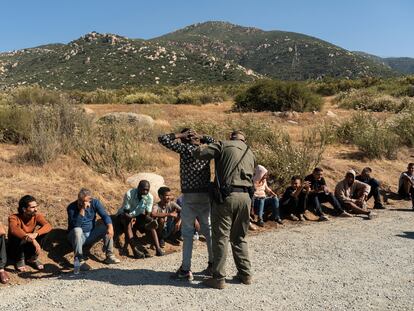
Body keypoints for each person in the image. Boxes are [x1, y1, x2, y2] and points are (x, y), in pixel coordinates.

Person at [193, 130, 255, 289]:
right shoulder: (250, 151)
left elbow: (199, 154)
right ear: (243, 139)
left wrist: (202, 141)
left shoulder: (223, 144)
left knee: (221, 237)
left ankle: (218, 278)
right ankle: (245, 274)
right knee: (239, 237)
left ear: (231, 137)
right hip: (246, 198)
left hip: (227, 197)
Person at [159, 129, 214, 281]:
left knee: (188, 233)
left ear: (184, 140)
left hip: (189, 196)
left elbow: (162, 138)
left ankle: (185, 269)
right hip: (205, 195)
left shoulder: (184, 149)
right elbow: (216, 142)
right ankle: (213, 265)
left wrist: (179, 135)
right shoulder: (206, 150)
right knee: (208, 231)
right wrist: (202, 136)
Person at [67, 188, 120, 270]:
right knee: (78, 230)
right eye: (81, 201)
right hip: (76, 237)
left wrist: (110, 227)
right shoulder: (71, 207)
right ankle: (79, 260)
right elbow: (76, 225)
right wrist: (82, 209)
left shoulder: (95, 203)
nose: (82, 203)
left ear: (90, 199)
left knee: (105, 227)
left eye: (86, 201)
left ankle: (109, 256)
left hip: (90, 234)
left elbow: (105, 216)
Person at [117, 180, 163, 257]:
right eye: (143, 189)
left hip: (137, 215)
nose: (145, 192)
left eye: (147, 190)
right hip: (125, 215)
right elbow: (126, 212)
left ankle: (158, 249)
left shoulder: (149, 197)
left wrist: (149, 220)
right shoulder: (129, 194)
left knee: (151, 222)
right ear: (138, 188)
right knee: (128, 223)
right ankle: (135, 250)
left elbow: (147, 213)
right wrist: (132, 219)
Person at [8, 195, 52, 272]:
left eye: (36, 206)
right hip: (15, 248)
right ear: (24, 209)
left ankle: (31, 259)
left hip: (27, 246)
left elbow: (48, 226)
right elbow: (13, 229)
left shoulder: (36, 216)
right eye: (32, 207)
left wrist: (36, 234)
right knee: (17, 234)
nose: (36, 209)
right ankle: (19, 259)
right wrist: (32, 239)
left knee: (44, 232)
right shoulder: (14, 217)